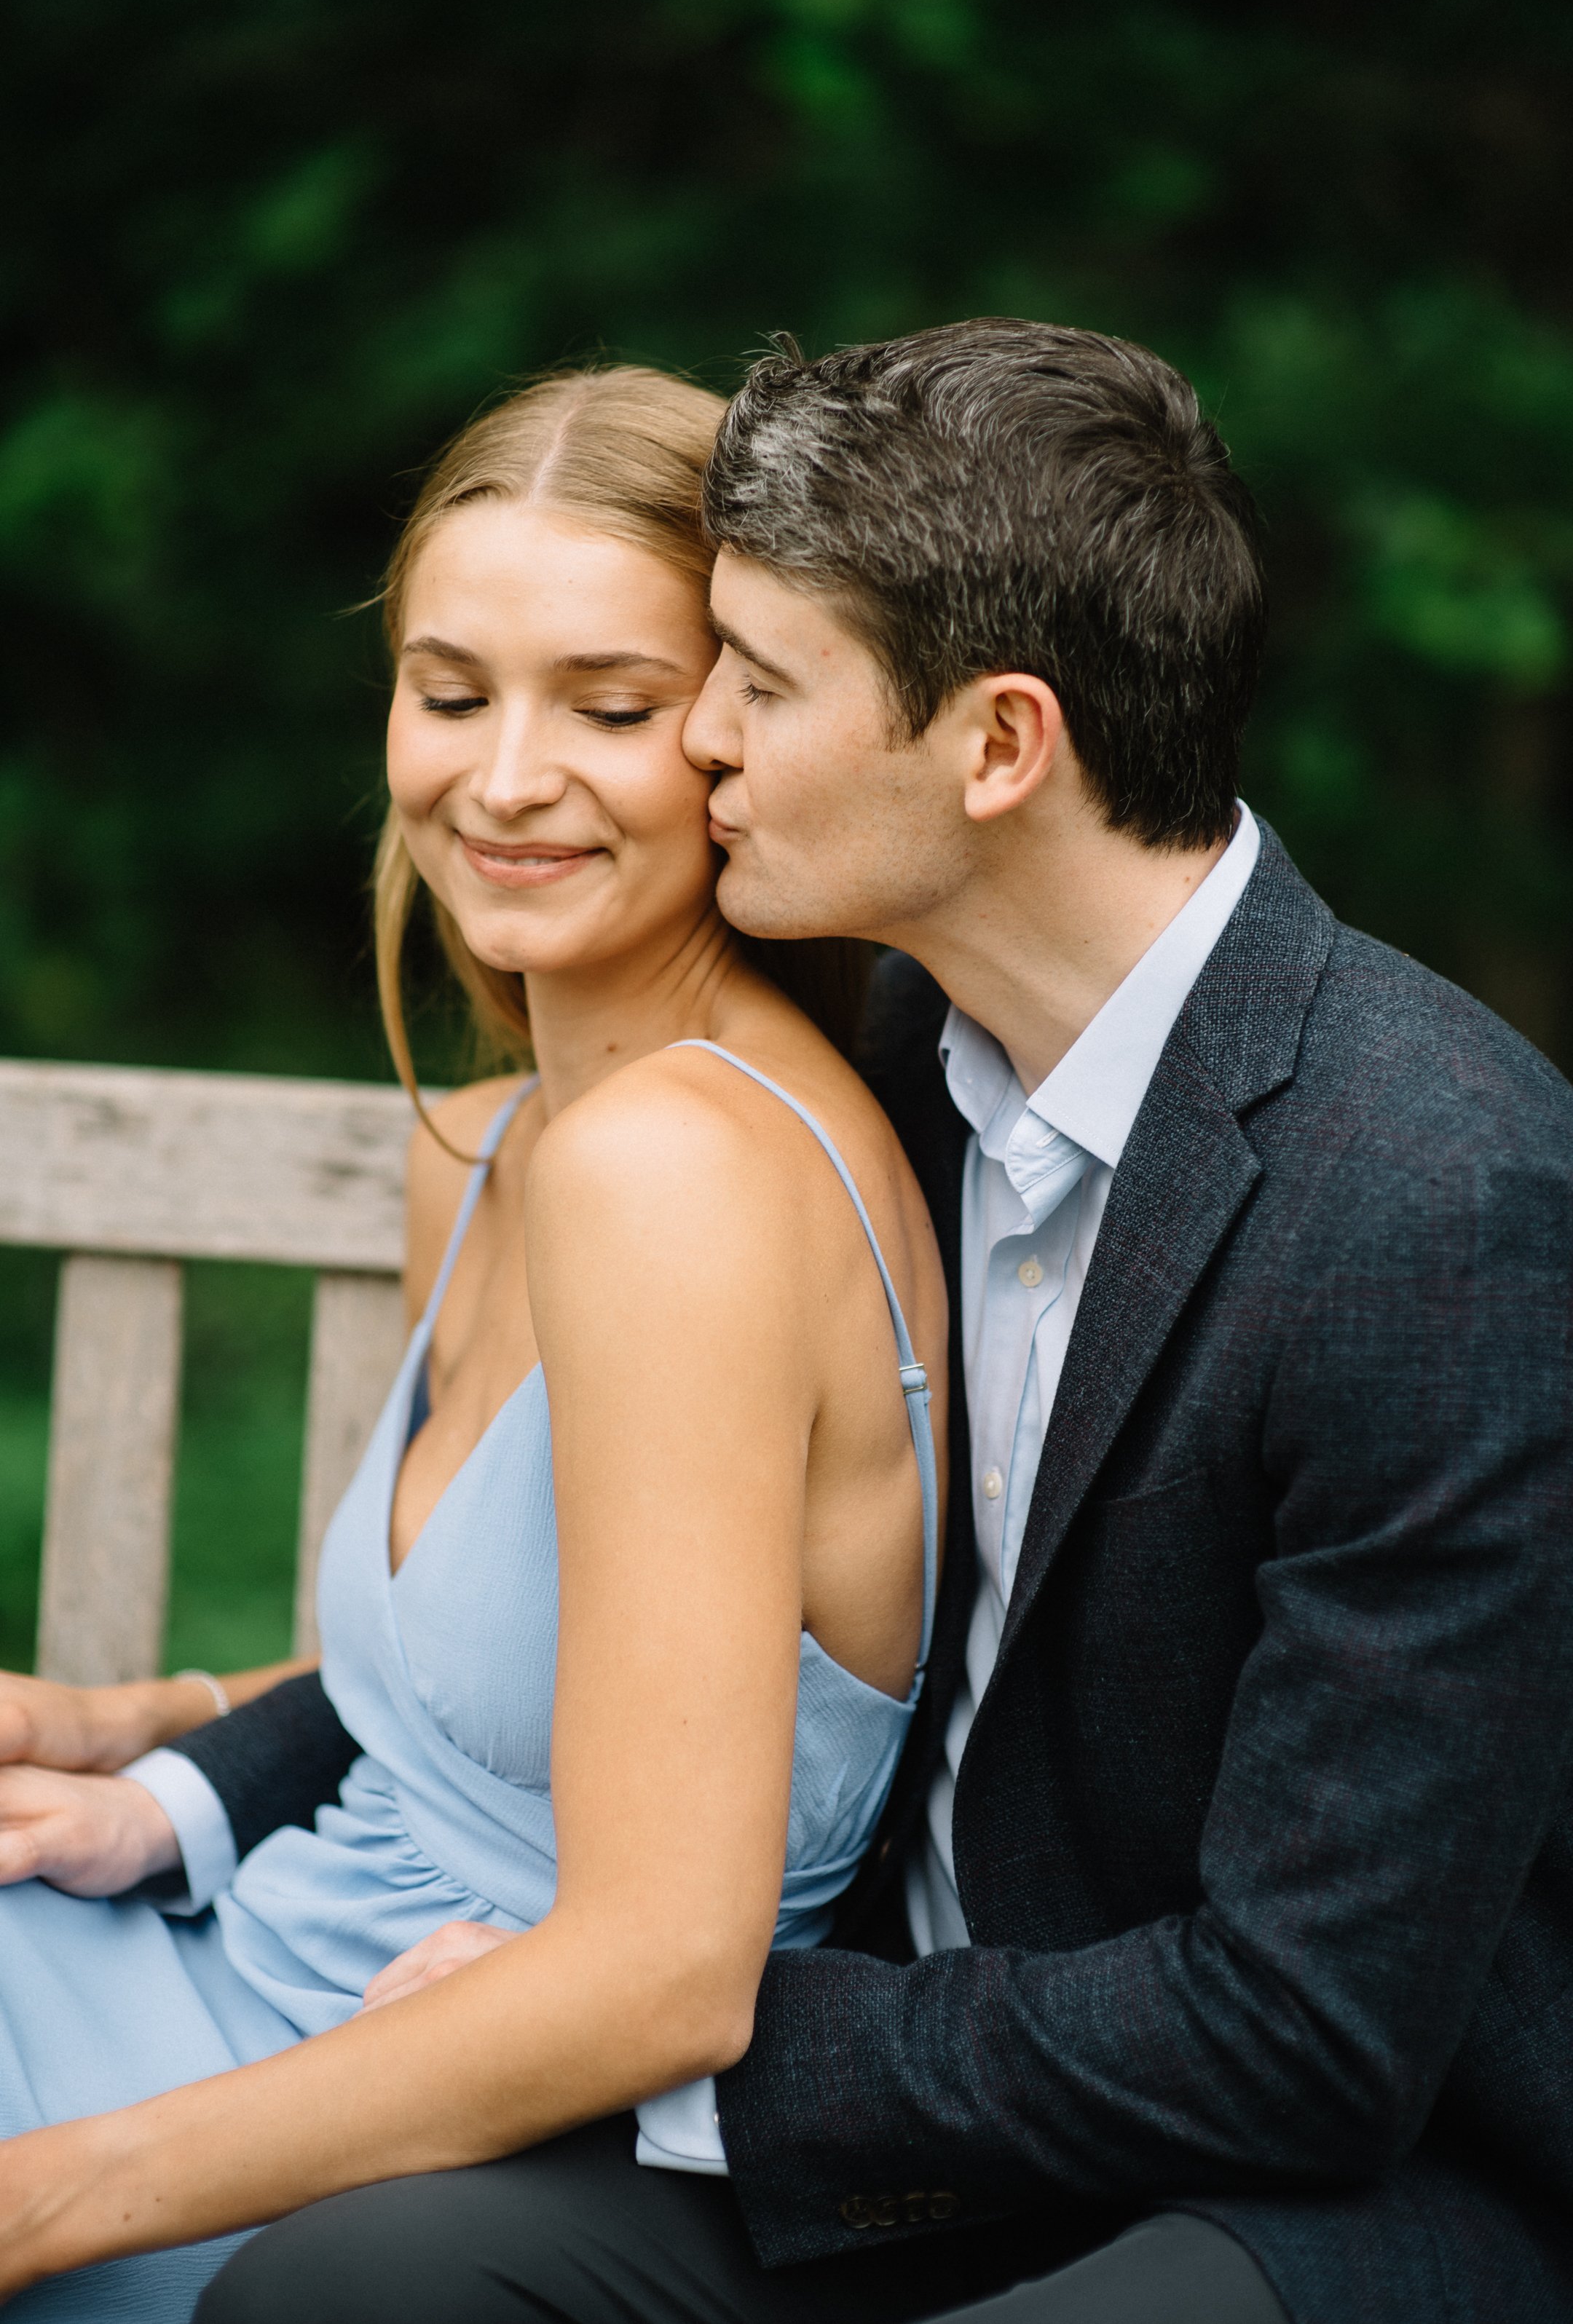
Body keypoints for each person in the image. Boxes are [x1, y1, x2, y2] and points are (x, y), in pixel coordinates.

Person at [9, 317, 1573, 2324]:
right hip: (896, 2104)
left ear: (997, 746)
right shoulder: (911, 1044)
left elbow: (1308, 2025)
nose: (705, 747)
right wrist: (176, 1751)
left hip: (1289, 2172)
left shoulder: (1440, 1202)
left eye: (745, 684)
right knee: (355, 2286)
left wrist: (733, 2048)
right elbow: (594, 1618)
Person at [0, 363, 953, 2317]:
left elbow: (662, 1963)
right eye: (450, 692)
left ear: (746, 730)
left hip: (385, 2131)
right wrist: (141, 1730)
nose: (502, 776)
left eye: (608, 706)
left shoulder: (686, 1176)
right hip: (240, 1952)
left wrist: (40, 2197)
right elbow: (522, 1663)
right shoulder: (507, 1135)